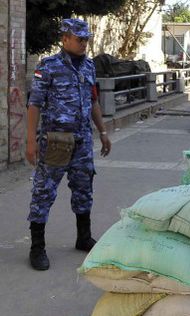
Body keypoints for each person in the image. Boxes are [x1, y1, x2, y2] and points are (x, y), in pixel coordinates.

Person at [25, 18, 111, 270]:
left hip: (83, 141)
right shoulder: (48, 66)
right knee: (44, 192)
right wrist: (31, 140)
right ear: (65, 39)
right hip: (55, 141)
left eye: (86, 39)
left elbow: (93, 100)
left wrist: (103, 131)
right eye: (79, 39)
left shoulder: (89, 67)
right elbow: (34, 104)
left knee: (84, 189)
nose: (84, 43)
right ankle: (37, 248)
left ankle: (83, 237)